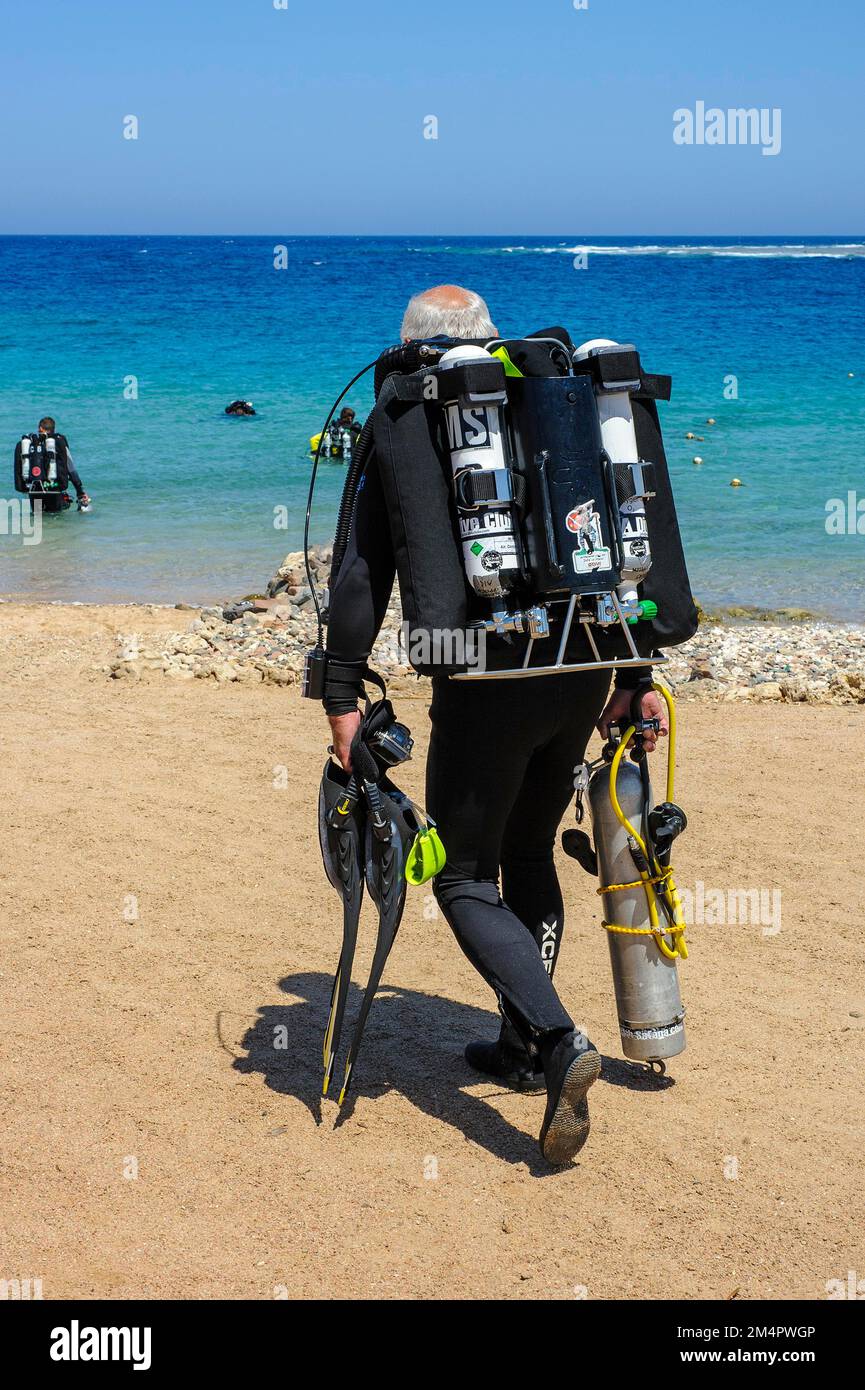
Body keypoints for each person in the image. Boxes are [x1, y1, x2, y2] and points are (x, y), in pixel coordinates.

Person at [322, 285, 670, 1164]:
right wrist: (636, 674)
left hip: (486, 679)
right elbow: (628, 533)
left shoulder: (406, 413)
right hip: (586, 661)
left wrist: (339, 693)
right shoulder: (562, 398)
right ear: (488, 339)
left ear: (407, 352)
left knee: (465, 876)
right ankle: (517, 1049)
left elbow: (362, 573)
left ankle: (555, 1042)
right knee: (528, 853)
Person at [14, 417, 90, 510]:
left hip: (34, 489)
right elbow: (71, 469)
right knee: (55, 517)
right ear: (53, 429)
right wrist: (80, 492)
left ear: (40, 429)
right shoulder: (59, 442)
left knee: (38, 518)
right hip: (54, 488)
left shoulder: (30, 444)